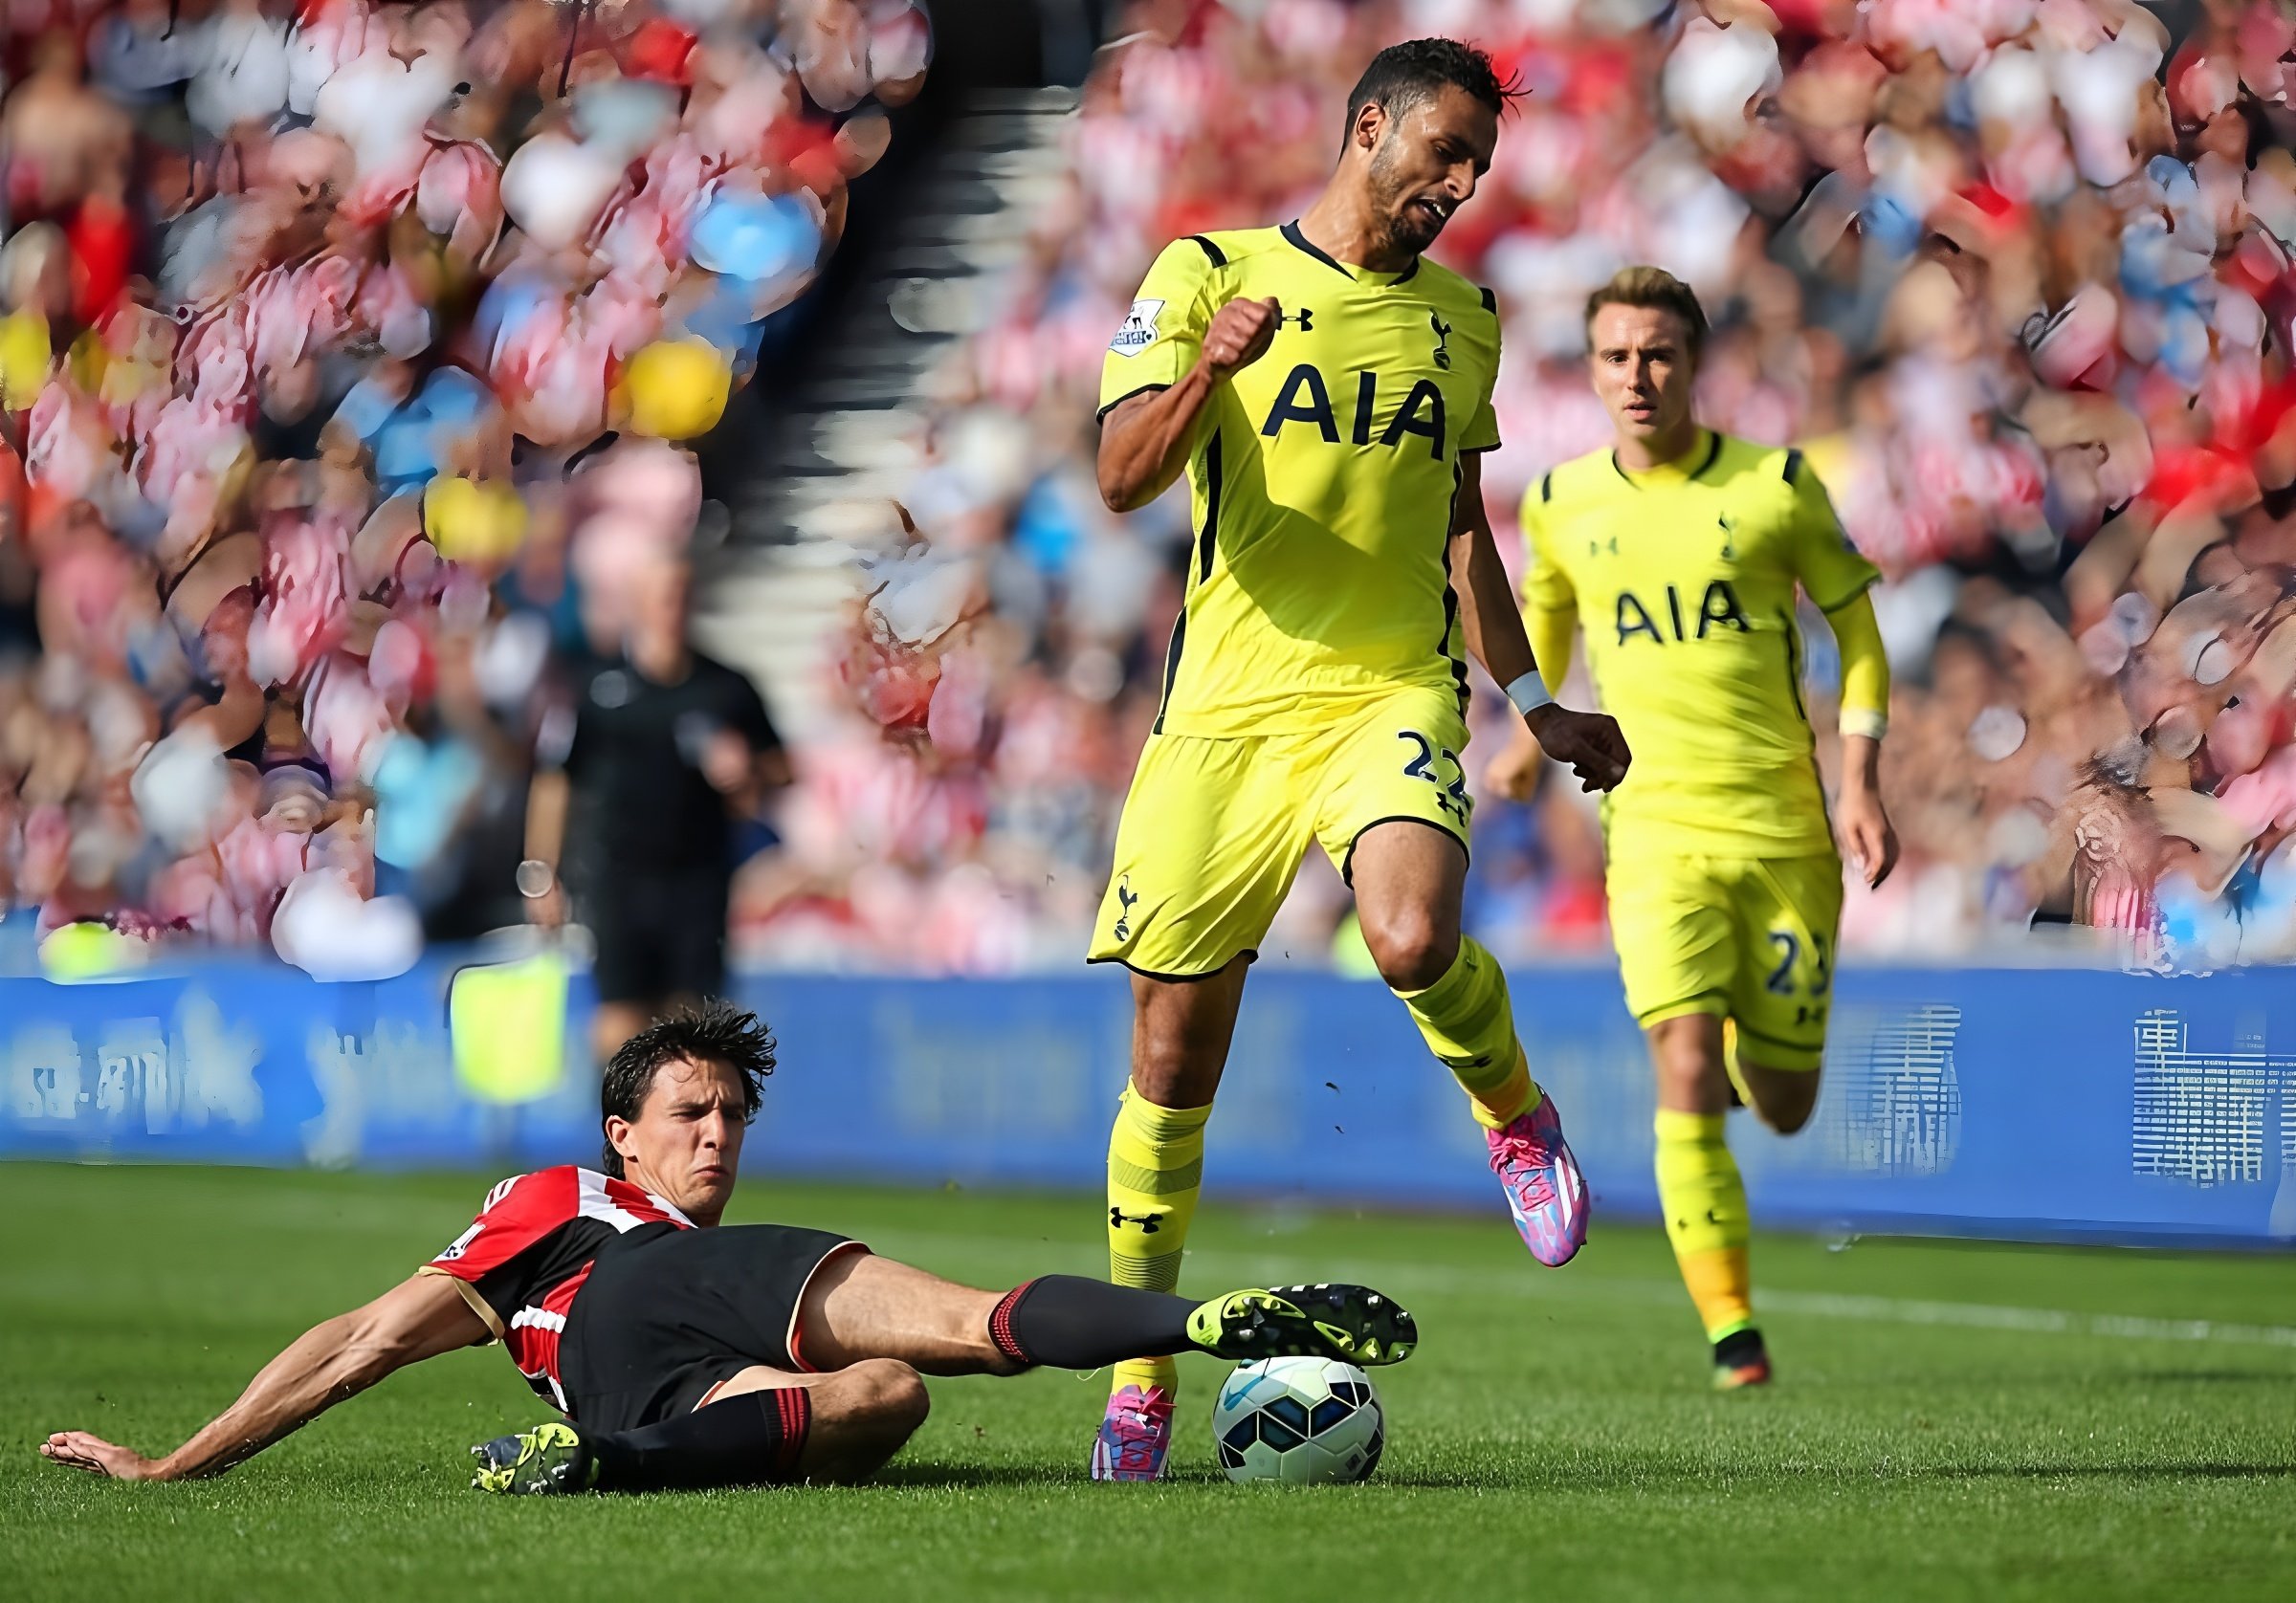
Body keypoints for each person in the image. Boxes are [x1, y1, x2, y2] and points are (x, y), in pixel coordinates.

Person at [1086, 37, 1630, 1480]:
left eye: (1478, 169)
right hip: (1225, 717)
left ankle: (1515, 1116)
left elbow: (1463, 526)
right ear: (1369, 125)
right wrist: (1207, 373)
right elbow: (1122, 474)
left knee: (1406, 934)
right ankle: (1141, 1378)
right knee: (1169, 1064)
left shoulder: (1465, 318)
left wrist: (1531, 697)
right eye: (1442, 154)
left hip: (1388, 688)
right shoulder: (1202, 271)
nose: (1457, 187)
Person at [37, 1001, 1415, 1493]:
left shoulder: (635, 1214)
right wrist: (181, 1460)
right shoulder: (573, 1201)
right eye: (688, 1114)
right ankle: (1195, 1326)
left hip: (646, 1396)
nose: (716, 1138)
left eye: (732, 1115)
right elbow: (364, 1339)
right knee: (968, 1326)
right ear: (620, 1136)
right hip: (644, 1299)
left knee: (886, 1400)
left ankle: (600, 1470)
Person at [1485, 267, 1900, 1390]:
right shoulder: (1561, 500)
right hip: (1653, 827)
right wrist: (1527, 739)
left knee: (1784, 1099)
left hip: (1783, 833)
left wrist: (1860, 781)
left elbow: (1860, 635)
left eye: (1658, 353)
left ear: (1694, 362)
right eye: (1617, 355)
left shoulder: (1776, 486)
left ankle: (1740, 1049)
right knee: (1679, 1056)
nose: (1638, 375)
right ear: (1590, 367)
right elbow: (1549, 632)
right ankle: (1734, 1335)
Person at [522, 551, 789, 1066]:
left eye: (682, 594)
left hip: (696, 878)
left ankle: (681, 1140)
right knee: (621, 1021)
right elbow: (555, 781)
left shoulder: (725, 688)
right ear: (639, 604)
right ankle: (620, 1138)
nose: (674, 607)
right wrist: (540, 871)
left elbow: (784, 767)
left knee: (693, 1028)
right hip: (616, 874)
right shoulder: (596, 689)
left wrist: (747, 766)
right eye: (664, 595)